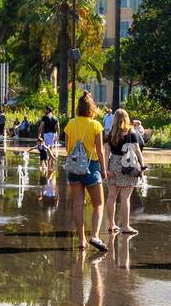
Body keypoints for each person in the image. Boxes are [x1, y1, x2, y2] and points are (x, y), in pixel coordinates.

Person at [62, 92, 108, 252]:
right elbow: (100, 150)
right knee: (98, 204)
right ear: (92, 108)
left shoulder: (70, 124)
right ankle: (94, 235)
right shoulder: (96, 125)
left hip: (74, 168)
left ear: (78, 108)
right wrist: (103, 169)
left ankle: (81, 240)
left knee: (77, 204)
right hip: (91, 167)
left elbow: (67, 148)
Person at [103, 108, 144, 236]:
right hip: (128, 165)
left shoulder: (111, 134)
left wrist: (105, 169)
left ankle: (111, 225)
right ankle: (125, 226)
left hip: (114, 164)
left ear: (114, 119)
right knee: (125, 198)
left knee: (111, 196)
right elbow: (137, 150)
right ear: (127, 118)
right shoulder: (131, 133)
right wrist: (142, 167)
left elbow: (106, 153)